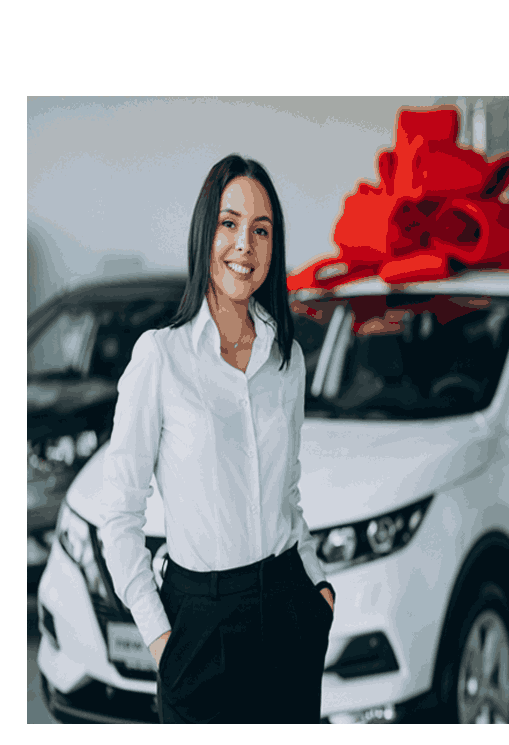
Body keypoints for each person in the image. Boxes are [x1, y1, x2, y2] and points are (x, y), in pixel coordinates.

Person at [99, 154, 336, 721]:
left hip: (287, 609)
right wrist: (162, 640)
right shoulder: (160, 358)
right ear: (205, 231)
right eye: (229, 224)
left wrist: (319, 591)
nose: (243, 247)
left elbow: (289, 495)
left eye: (261, 230)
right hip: (197, 626)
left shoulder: (288, 360)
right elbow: (118, 516)